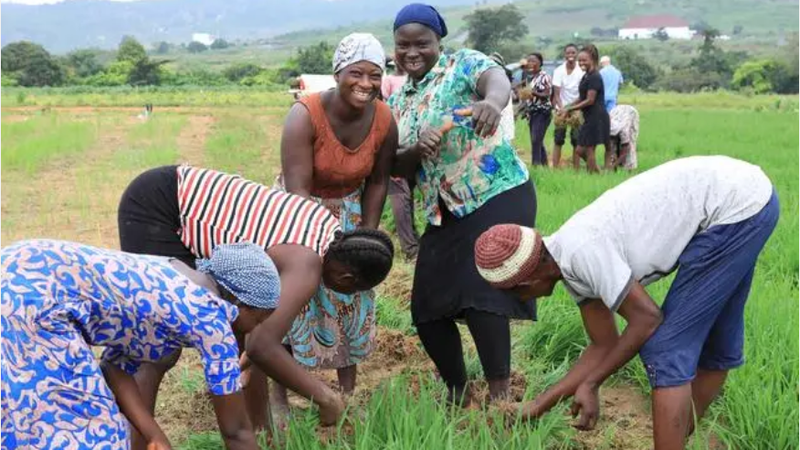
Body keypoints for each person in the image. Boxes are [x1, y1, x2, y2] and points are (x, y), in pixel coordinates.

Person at [474, 156, 779, 450]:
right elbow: (602, 345)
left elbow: (647, 319)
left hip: (734, 207)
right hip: (747, 198)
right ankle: (675, 438)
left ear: (526, 282)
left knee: (665, 348)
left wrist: (592, 384)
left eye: (513, 294)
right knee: (716, 348)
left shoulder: (581, 252)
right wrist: (538, 406)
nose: (520, 301)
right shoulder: (565, 264)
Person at [117, 164, 395, 437]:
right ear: (347, 279)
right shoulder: (307, 263)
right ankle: (134, 441)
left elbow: (255, 333)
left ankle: (260, 432)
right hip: (158, 210)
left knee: (244, 325)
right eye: (349, 292)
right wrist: (326, 398)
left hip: (171, 190)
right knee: (158, 347)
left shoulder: (327, 229)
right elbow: (262, 345)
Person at [1, 239, 281, 450]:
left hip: (18, 271)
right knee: (94, 432)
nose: (254, 329)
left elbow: (115, 366)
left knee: (29, 419)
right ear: (240, 303)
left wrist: (154, 435)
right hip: (34, 297)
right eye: (258, 319)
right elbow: (236, 431)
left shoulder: (175, 277)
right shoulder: (211, 318)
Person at [390, 3, 537, 405]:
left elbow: (496, 80)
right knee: (426, 308)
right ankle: (457, 390)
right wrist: (416, 149)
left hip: (496, 192)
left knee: (480, 294)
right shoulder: (398, 100)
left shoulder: (462, 65)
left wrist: (492, 102)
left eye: (422, 43)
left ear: (439, 41)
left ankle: (500, 396)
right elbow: (395, 164)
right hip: (443, 208)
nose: (412, 52)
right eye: (403, 45)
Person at [275, 31, 398, 420]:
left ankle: (347, 395)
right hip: (299, 212)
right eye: (357, 73)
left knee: (353, 295)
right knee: (295, 297)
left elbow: (379, 180)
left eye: (375, 75)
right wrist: (320, 243)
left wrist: (367, 237)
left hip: (351, 213)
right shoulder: (305, 115)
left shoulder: (383, 118)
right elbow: (297, 191)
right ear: (338, 72)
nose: (366, 84)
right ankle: (279, 397)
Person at [382, 59, 420, 259]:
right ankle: (410, 249)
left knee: (407, 198)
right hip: (395, 151)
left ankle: (414, 240)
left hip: (414, 151)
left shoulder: (419, 88)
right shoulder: (392, 97)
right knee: (400, 199)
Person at [560, 44, 609, 173]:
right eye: (579, 60)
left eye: (584, 60)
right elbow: (582, 97)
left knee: (589, 149)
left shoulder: (594, 77)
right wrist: (567, 107)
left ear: (592, 60)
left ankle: (593, 176)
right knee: (580, 150)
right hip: (588, 117)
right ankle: (597, 172)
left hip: (596, 116)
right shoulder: (586, 76)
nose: (581, 63)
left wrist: (570, 109)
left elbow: (590, 100)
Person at [551, 43, 584, 167]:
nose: (570, 55)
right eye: (568, 53)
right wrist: (562, 109)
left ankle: (576, 169)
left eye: (573, 53)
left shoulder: (581, 71)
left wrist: (571, 108)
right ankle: (555, 168)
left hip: (576, 108)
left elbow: (582, 94)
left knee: (576, 140)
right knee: (558, 139)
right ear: (564, 55)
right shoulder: (558, 71)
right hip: (561, 108)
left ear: (577, 54)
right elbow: (556, 94)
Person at [520, 52, 553, 166]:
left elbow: (547, 94)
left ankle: (536, 166)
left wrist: (533, 92)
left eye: (533, 61)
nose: (530, 63)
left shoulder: (544, 77)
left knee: (535, 140)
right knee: (537, 140)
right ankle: (544, 166)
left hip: (542, 112)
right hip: (533, 113)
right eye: (529, 61)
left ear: (540, 63)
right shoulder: (531, 78)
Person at [608, 104, 639, 170]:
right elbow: (608, 149)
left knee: (631, 145)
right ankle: (614, 168)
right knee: (612, 147)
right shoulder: (606, 128)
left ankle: (630, 169)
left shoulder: (624, 130)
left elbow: (625, 152)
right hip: (616, 112)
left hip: (631, 113)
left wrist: (613, 165)